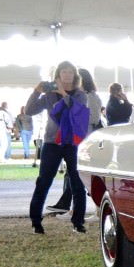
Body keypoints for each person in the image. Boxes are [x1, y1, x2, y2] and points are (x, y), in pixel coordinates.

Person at [26, 61, 89, 234]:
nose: (67, 75)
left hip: (73, 144)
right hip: (52, 143)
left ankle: (78, 222)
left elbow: (79, 111)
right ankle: (36, 222)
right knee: (44, 181)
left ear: (75, 76)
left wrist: (63, 93)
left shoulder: (80, 94)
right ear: (58, 75)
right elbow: (29, 111)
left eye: (70, 72)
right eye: (64, 72)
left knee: (77, 183)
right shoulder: (49, 96)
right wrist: (36, 91)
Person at [47, 68, 102, 219]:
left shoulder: (90, 96)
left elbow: (94, 118)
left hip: (86, 140)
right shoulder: (76, 97)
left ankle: (98, 210)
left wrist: (77, 116)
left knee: (87, 176)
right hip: (76, 140)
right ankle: (73, 209)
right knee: (74, 175)